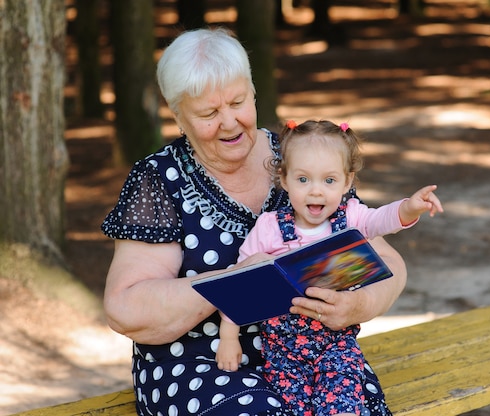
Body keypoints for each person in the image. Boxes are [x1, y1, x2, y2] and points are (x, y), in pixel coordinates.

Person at [101, 27, 409, 416]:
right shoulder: (159, 178)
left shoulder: (299, 159)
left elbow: (389, 264)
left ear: (254, 90)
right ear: (178, 114)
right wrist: (236, 283)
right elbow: (125, 308)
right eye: (209, 113)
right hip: (200, 366)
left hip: (311, 355)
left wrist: (357, 305)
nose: (229, 122)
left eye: (238, 101)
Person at [215, 119, 443, 416]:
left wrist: (410, 208)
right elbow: (240, 285)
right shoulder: (269, 228)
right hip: (285, 351)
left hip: (337, 344)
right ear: (284, 179)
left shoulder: (350, 218)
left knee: (344, 405)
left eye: (329, 181)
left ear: (348, 182)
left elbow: (381, 220)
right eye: (303, 180)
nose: (316, 192)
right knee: (295, 409)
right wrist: (229, 338)